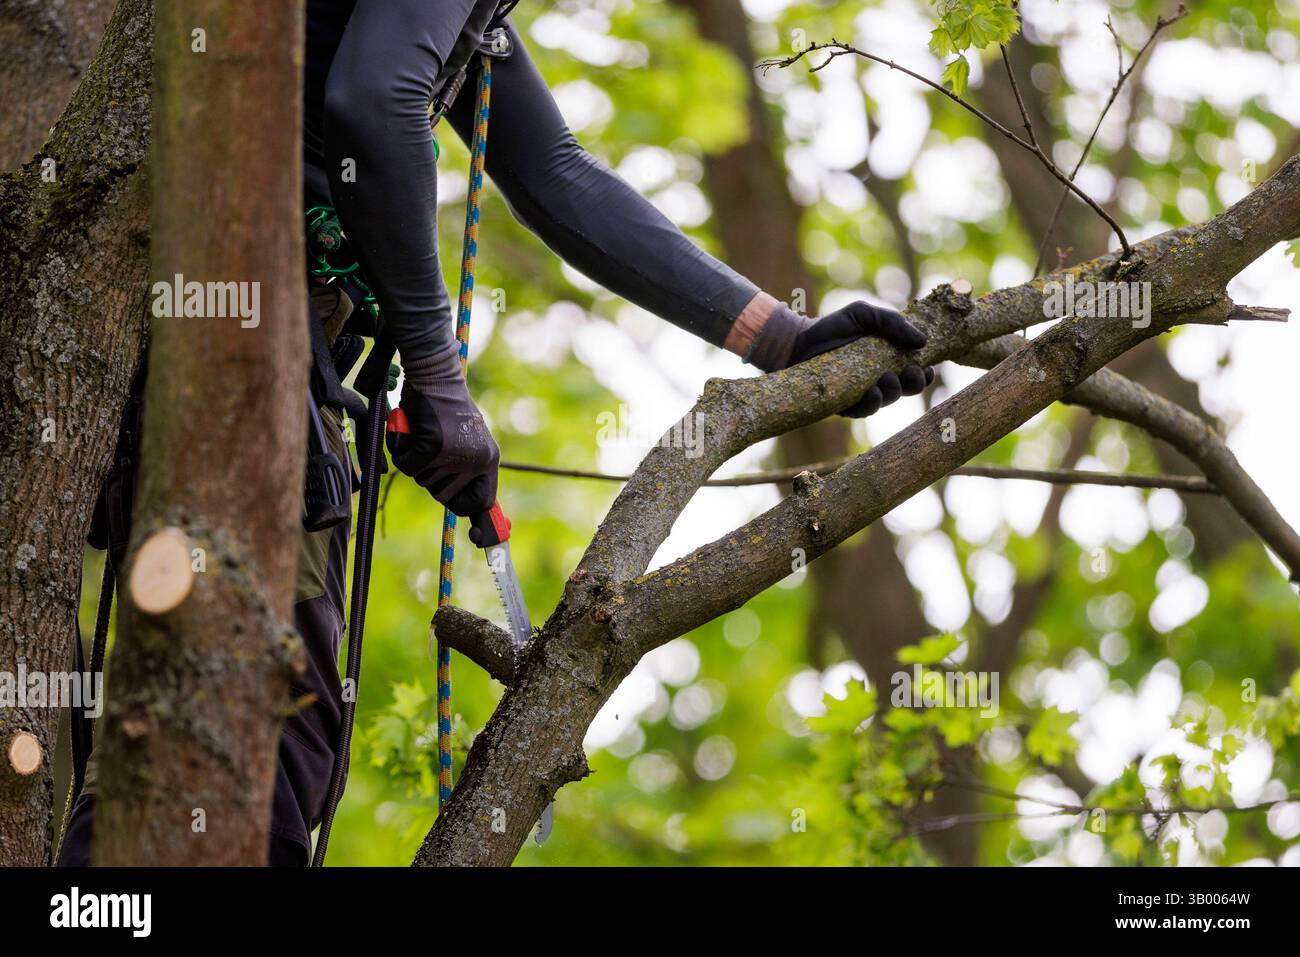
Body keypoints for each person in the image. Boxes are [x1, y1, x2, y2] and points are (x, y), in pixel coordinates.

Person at [60, 0, 933, 866]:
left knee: (263, 733)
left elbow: (556, 171)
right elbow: (375, 101)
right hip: (220, 323)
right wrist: (437, 373)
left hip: (236, 327)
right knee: (250, 729)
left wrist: (781, 338)